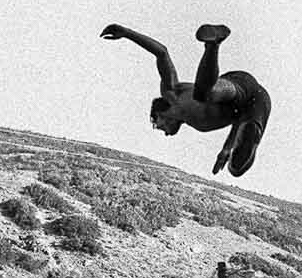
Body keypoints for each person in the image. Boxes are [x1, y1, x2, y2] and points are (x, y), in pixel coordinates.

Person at [101, 22, 271, 176]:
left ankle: (213, 43)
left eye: (158, 126)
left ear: (159, 114)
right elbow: (236, 117)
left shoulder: (172, 92)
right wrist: (227, 148)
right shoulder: (196, 123)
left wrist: (127, 33)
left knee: (204, 94)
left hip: (239, 87)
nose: (165, 133)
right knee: (236, 168)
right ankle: (251, 134)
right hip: (251, 109)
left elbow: (162, 53)